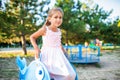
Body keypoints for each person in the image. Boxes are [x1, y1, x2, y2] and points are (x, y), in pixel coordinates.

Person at [30, 7, 76, 80]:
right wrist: (36, 48)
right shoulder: (45, 29)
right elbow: (32, 37)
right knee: (51, 75)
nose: (58, 19)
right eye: (56, 17)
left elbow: (58, 43)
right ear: (49, 18)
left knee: (71, 74)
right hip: (48, 56)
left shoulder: (59, 31)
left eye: (60, 17)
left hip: (58, 56)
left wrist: (64, 51)